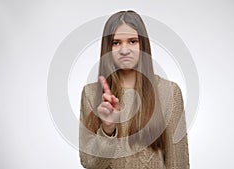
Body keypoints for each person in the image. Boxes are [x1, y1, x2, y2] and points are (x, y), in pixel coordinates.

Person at [79, 10, 189, 169]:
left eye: (132, 41)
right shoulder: (90, 94)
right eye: (116, 43)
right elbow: (90, 164)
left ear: (143, 45)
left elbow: (178, 164)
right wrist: (107, 130)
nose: (124, 50)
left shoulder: (169, 92)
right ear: (107, 49)